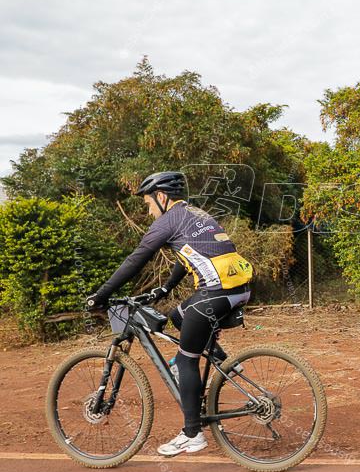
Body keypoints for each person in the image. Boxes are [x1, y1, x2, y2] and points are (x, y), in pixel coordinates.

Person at [87, 171, 253, 457]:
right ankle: (221, 361)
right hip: (240, 286)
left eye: (149, 202)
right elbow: (186, 255)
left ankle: (192, 434)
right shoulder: (195, 213)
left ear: (161, 196)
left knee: (186, 362)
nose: (148, 209)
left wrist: (100, 296)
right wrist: (164, 289)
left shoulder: (167, 221)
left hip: (215, 293)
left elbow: (136, 260)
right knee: (177, 316)